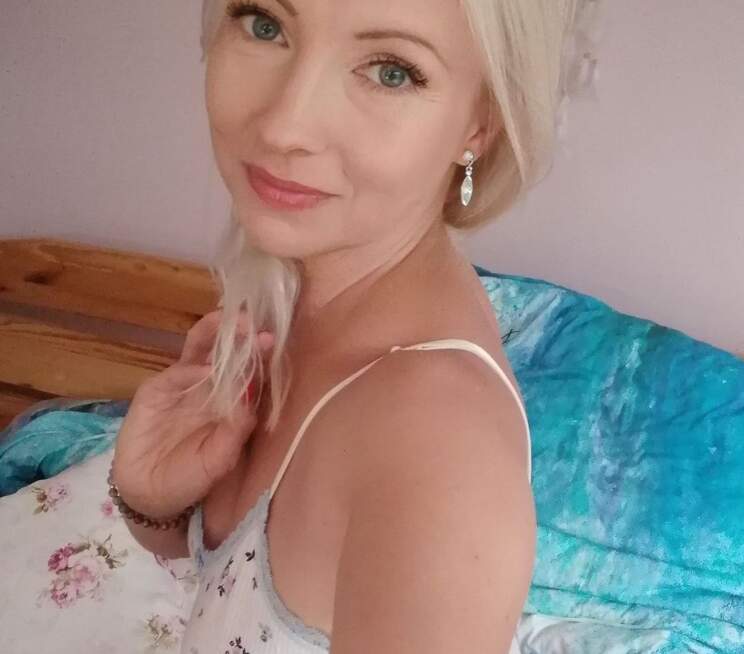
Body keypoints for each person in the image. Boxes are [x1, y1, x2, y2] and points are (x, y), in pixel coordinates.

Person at [109, 0, 586, 651]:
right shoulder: (300, 287)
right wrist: (150, 501)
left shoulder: (441, 455)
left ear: (481, 125)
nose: (285, 125)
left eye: (391, 71)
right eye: (265, 24)